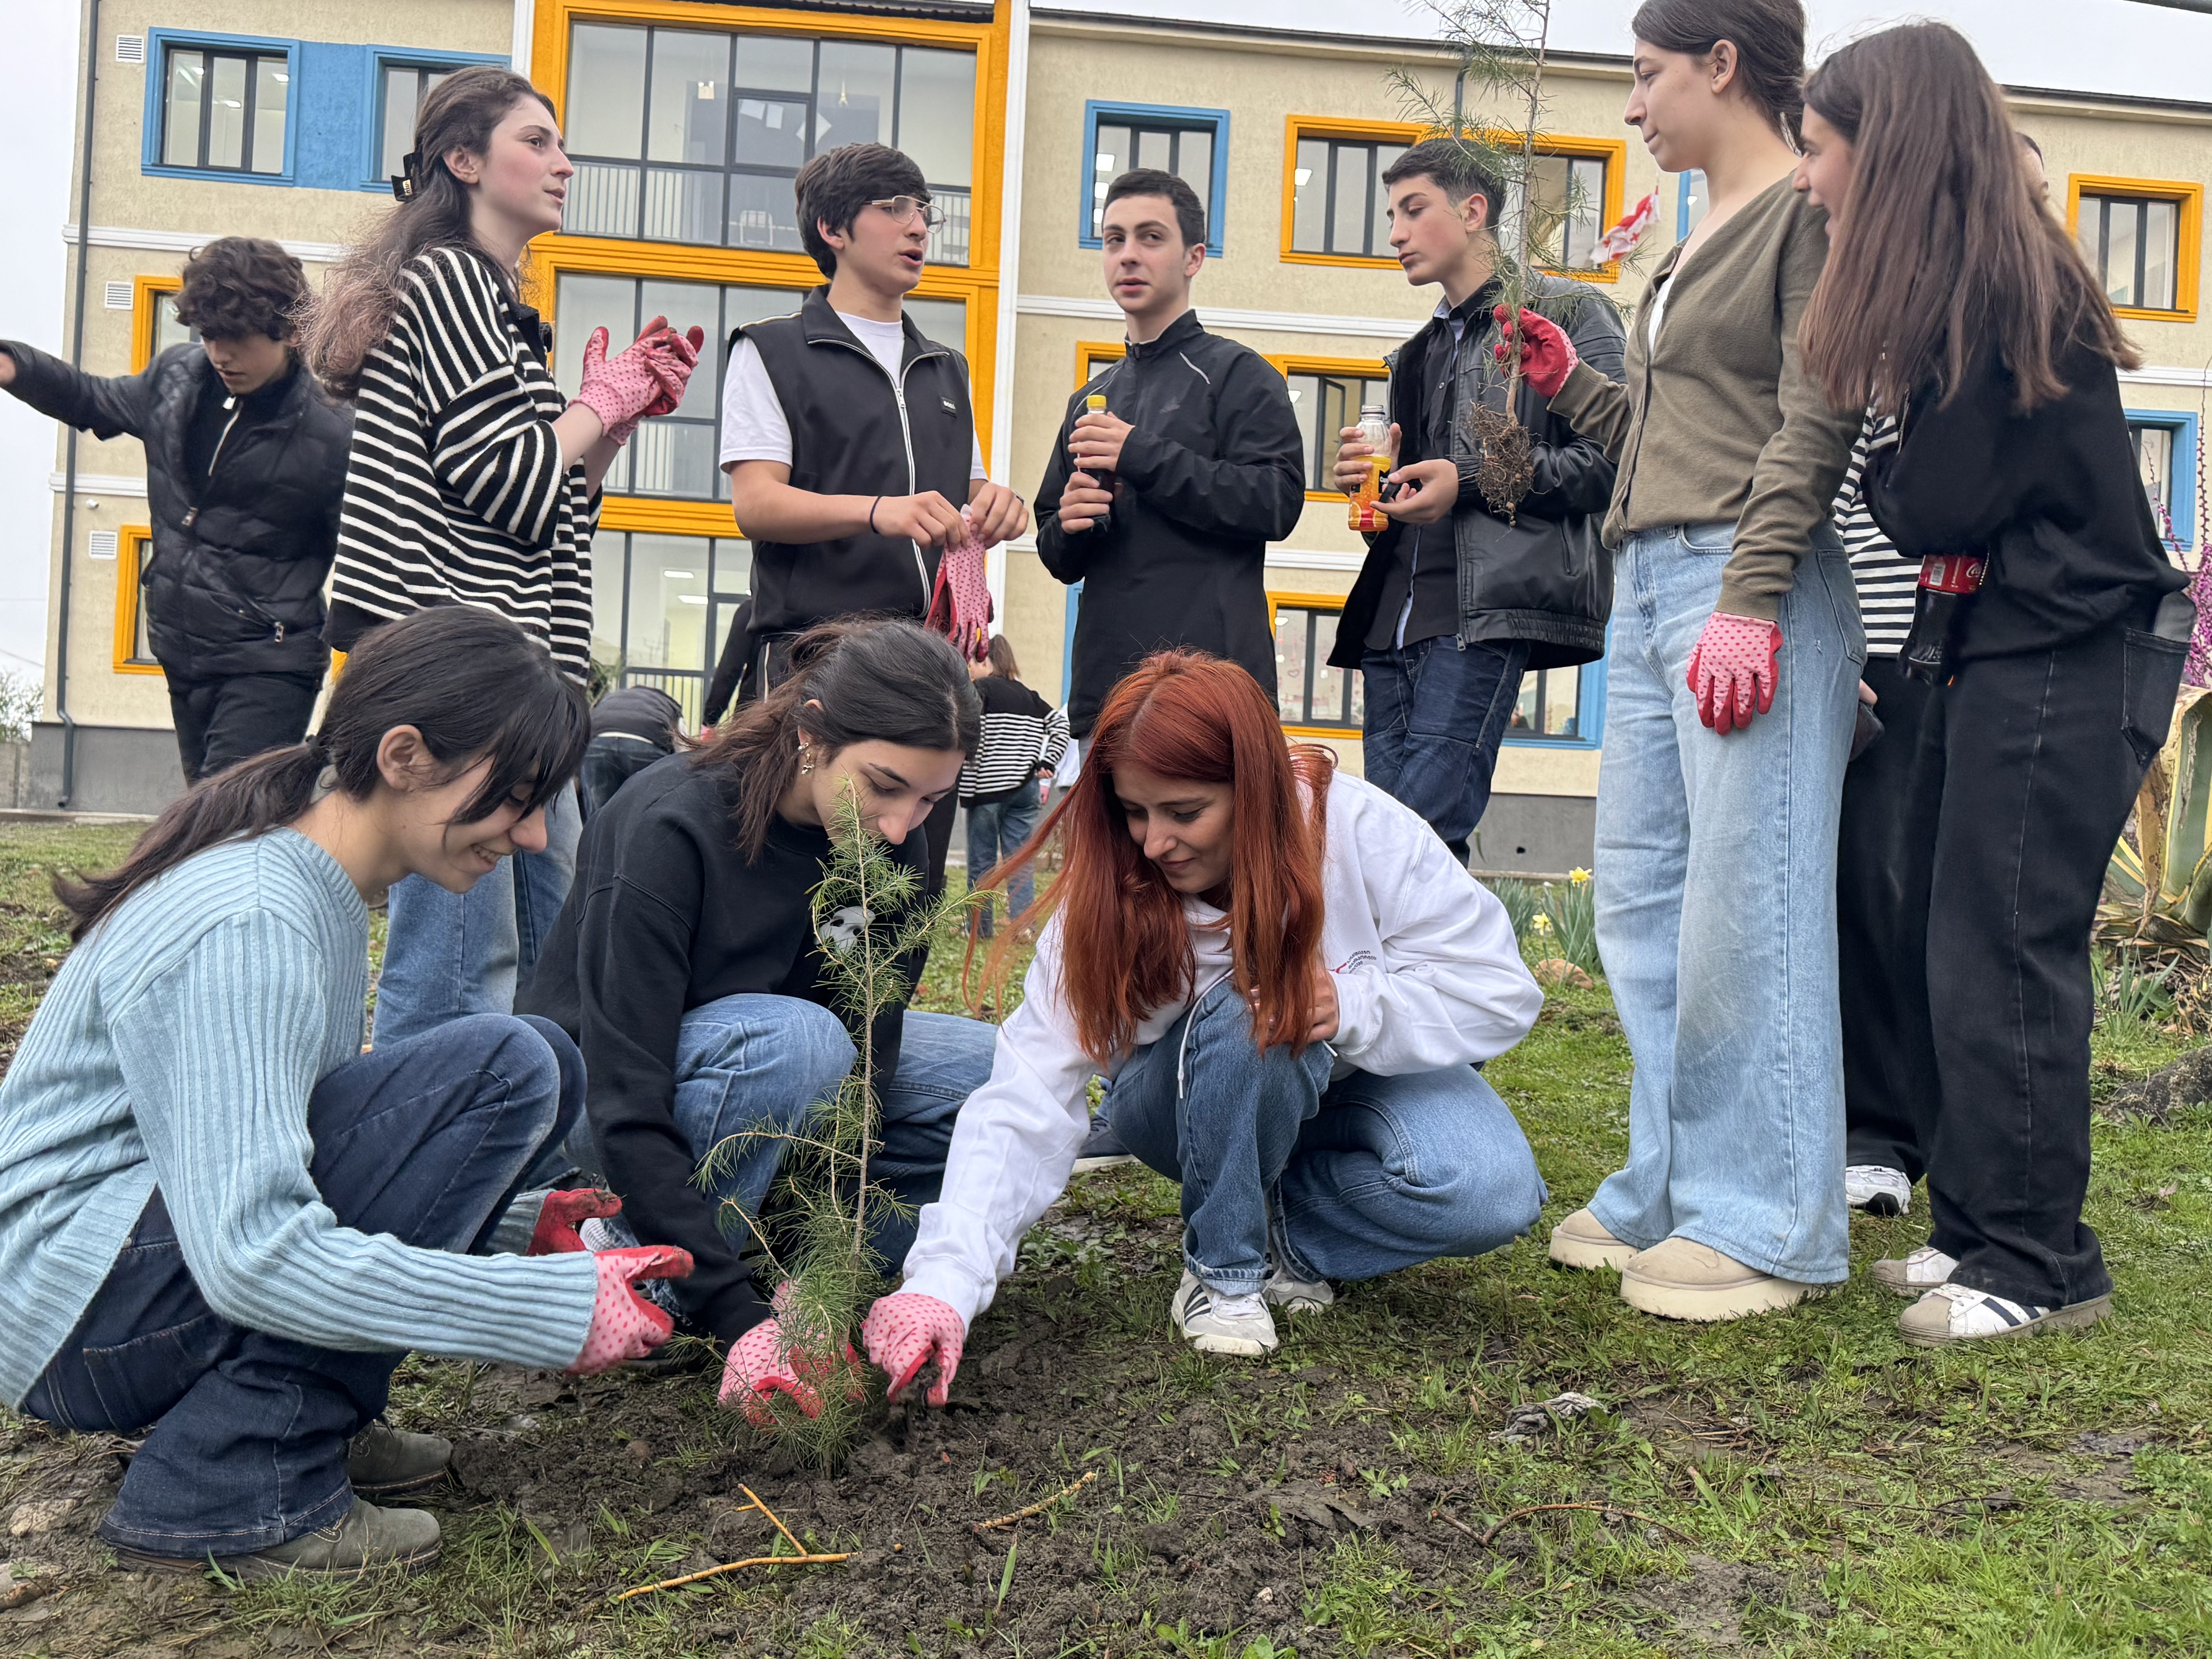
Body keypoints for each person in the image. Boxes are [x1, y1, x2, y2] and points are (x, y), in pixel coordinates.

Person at [0, 608, 693, 1578]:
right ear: (405, 756)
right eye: (515, 797)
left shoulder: (305, 886)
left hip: (122, 1275)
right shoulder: (253, 919)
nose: (536, 836)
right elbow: (252, 1253)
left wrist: (513, 1227)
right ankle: (238, 1475)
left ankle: (303, 1413)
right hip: (77, 1315)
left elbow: (292, 1151)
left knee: (535, 1058)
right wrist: (550, 1307)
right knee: (506, 1067)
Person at [1795, 22, 2188, 1344]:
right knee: (1944, 934)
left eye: (1821, 148)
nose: (1808, 177)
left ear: (1889, 147)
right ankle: (1973, 1223)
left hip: (2066, 652)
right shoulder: (1977, 288)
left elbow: (1935, 504)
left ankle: (2038, 1262)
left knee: (2002, 944)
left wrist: (1883, 467)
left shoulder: (1998, 297)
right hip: (2004, 645)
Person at [854, 650, 1545, 1390]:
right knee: (1255, 1006)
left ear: (1256, 788)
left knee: (1490, 1189)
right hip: (1180, 1101)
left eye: (1185, 812)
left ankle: (1280, 1230)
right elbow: (1025, 1096)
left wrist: (1350, 1003)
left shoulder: (1357, 828)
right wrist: (945, 1282)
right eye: (1135, 811)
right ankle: (1222, 1273)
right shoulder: (1111, 892)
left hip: (1359, 1079)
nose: (1155, 843)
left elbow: (1500, 991)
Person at [1498, 0, 1861, 1321]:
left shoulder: (1803, 216)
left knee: (1748, 906)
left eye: (1649, 77)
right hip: (1649, 580)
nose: (1634, 105)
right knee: (1646, 903)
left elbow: (1817, 417)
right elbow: (1684, 427)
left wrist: (1753, 601)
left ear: (1723, 64)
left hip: (1741, 581)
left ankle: (1769, 1223)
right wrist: (1576, 391)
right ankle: (1671, 1185)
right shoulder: (1697, 236)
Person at [301, 66, 704, 1045]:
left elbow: (546, 511)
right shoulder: (449, 281)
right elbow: (509, 477)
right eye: (537, 141)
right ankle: (436, 1131)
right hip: (460, 668)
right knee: (461, 967)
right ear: (464, 160)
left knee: (550, 956)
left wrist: (609, 425)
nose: (564, 163)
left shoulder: (497, 310)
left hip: (511, 671)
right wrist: (594, 404)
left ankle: (528, 1132)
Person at [519, 619, 1001, 1420]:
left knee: (996, 1076)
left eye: (929, 799)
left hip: (782, 1072)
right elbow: (623, 1091)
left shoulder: (891, 845)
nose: (900, 826)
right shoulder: (672, 826)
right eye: (884, 786)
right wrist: (737, 1318)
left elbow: (872, 1054)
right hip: (605, 1094)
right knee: (800, 1040)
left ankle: (779, 1255)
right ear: (812, 732)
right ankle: (650, 1266)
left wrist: (830, 1250)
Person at [720, 142, 1029, 896]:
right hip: (812, 660)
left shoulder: (946, 368)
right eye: (893, 208)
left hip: (929, 666)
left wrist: (1002, 507)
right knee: (788, 885)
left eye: (924, 211)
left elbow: (968, 500)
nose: (918, 226)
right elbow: (755, 503)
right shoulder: (770, 349)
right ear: (833, 229)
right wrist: (880, 512)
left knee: (902, 897)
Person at [1330, 140, 1625, 864]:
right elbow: (1420, 505)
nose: (1395, 233)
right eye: (1391, 215)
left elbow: (1612, 462)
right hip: (1390, 625)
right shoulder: (1414, 353)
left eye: (1412, 210)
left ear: (1473, 211)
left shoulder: (1567, 311)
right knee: (1383, 846)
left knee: (1419, 847)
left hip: (1481, 616)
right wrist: (1377, 492)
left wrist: (1464, 479)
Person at [0, 238, 350, 780]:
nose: (220, 354)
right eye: (209, 335)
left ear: (291, 332)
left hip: (268, 663)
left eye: (237, 339)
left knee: (227, 819)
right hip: (182, 648)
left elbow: (368, 561)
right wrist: (15, 367)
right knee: (211, 813)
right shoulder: (176, 378)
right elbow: (93, 399)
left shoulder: (333, 433)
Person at [1031, 168, 1305, 742]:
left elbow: (1276, 504)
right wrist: (1071, 524)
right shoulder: (1089, 399)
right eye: (1114, 240)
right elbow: (1057, 556)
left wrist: (1139, 453)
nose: (1128, 255)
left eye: (1151, 238)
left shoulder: (1240, 375)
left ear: (1193, 258)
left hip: (1214, 694)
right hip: (1106, 696)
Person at [959, 635, 1069, 939]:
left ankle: (979, 929)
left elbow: (963, 731)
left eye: (973, 660)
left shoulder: (978, 693)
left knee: (982, 864)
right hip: (1025, 787)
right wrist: (1047, 761)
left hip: (987, 790)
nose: (970, 667)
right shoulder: (1030, 697)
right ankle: (1024, 928)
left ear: (987, 660)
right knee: (1019, 860)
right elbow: (1061, 726)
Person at [579, 683, 683, 817]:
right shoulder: (671, 705)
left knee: (598, 815)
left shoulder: (611, 698)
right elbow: (683, 753)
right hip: (646, 744)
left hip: (599, 742)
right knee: (646, 812)